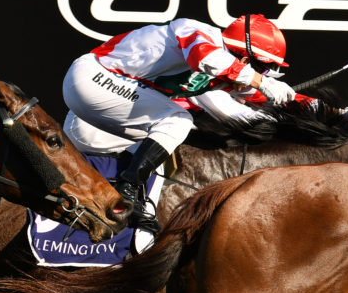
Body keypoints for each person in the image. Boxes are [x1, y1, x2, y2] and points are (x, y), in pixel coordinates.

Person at [62, 14, 297, 224]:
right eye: (263, 69)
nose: (263, 75)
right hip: (93, 111)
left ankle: (134, 209)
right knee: (179, 124)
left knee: (169, 139)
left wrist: (308, 105)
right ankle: (129, 193)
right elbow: (233, 109)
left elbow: (259, 98)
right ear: (244, 59)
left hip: (111, 113)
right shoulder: (197, 39)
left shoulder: (215, 71)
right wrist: (261, 82)